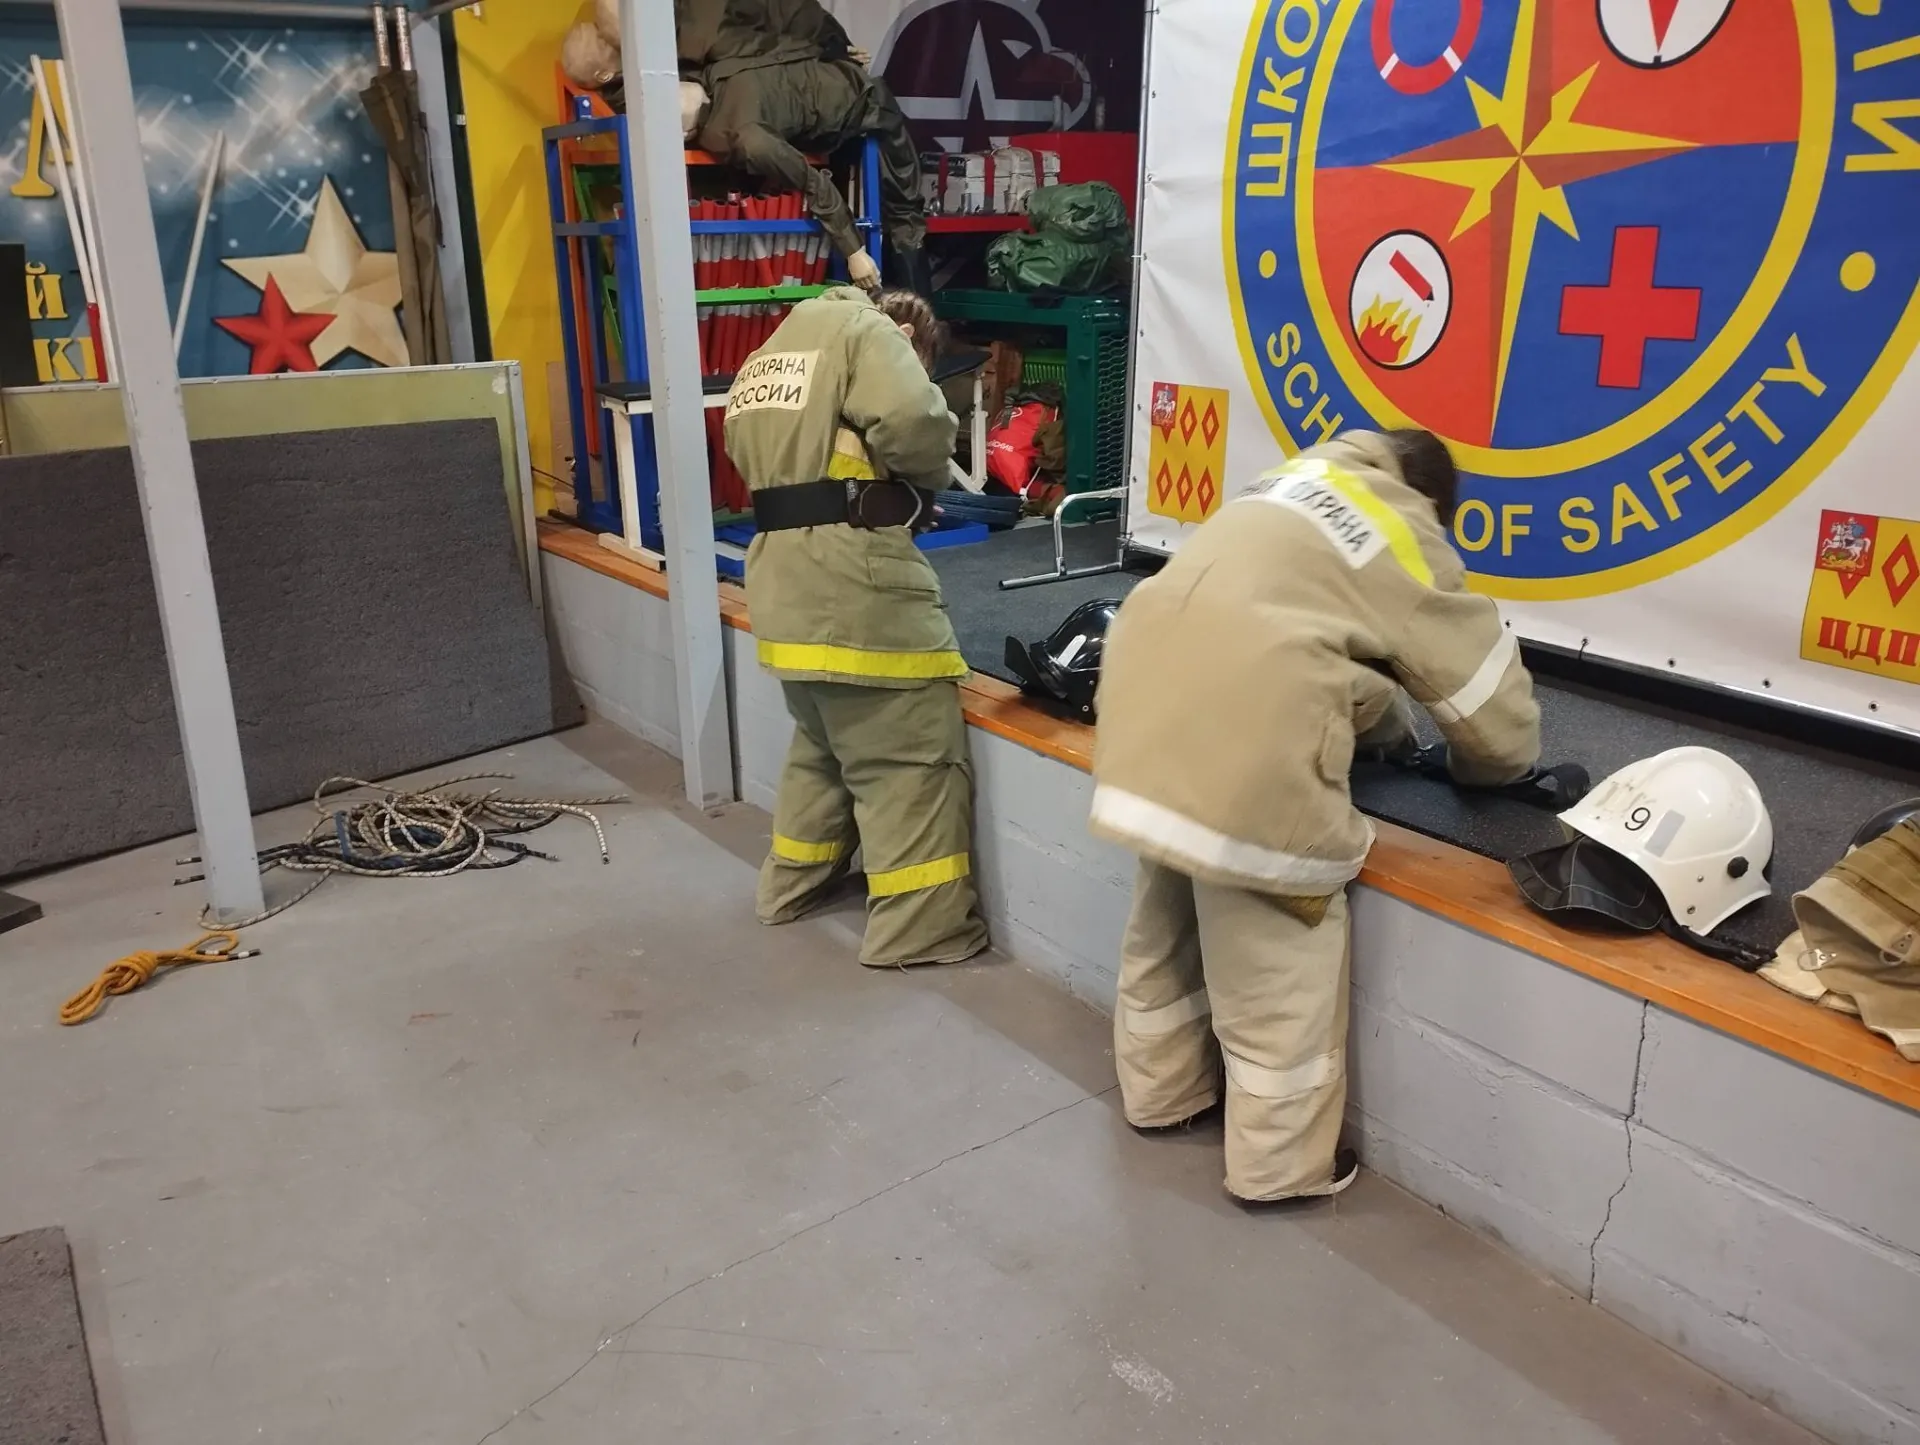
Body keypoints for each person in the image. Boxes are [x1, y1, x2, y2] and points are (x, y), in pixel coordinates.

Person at [1089, 429, 1542, 1203]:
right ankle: (1278, 1167)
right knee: (1278, 956)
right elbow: (1490, 711)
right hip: (1251, 746)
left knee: (1165, 920)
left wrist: (1389, 737)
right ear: (1433, 500)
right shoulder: (1402, 524)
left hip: (1141, 712)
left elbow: (1320, 648)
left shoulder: (1288, 486)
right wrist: (1491, 773)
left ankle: (1161, 1093)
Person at [723, 285, 989, 968]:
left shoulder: (774, 350)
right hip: (855, 590)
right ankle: (921, 930)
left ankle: (791, 885)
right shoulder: (868, 332)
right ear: (907, 336)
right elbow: (916, 419)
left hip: (782, 586)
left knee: (822, 749)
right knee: (911, 760)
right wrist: (925, 479)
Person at [681, 59, 927, 291]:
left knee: (904, 215)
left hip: (866, 103)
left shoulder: (748, 139)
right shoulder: (716, 73)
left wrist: (855, 253)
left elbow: (812, 182)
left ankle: (919, 318)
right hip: (834, 82)